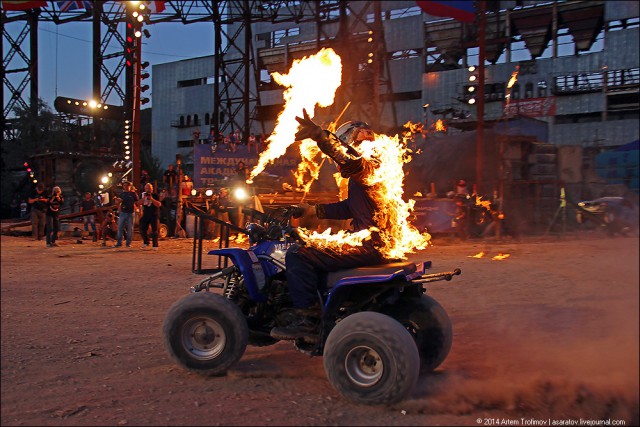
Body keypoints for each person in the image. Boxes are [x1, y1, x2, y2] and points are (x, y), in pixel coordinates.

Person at [270, 110, 385, 339]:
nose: (337, 159)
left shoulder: (368, 167)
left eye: (341, 147)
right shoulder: (374, 171)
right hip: (375, 241)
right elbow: (350, 207)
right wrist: (314, 210)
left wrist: (320, 137)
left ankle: (307, 319)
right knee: (312, 244)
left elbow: (349, 161)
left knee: (298, 255)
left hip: (368, 244)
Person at [137, 183, 162, 249]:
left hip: (154, 214)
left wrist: (152, 199)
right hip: (146, 214)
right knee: (142, 228)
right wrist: (144, 198)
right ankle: (146, 242)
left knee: (154, 230)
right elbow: (138, 203)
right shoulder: (143, 195)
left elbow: (159, 204)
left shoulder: (155, 195)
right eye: (147, 188)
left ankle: (155, 245)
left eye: (149, 188)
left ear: (152, 189)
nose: (148, 190)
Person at [115, 181, 139, 248]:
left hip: (131, 212)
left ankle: (128, 243)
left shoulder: (133, 194)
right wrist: (117, 203)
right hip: (123, 212)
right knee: (120, 228)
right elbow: (118, 202)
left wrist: (138, 210)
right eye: (124, 185)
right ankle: (119, 243)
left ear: (130, 186)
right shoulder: (122, 194)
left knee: (130, 228)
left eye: (127, 185)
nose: (126, 187)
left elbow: (137, 202)